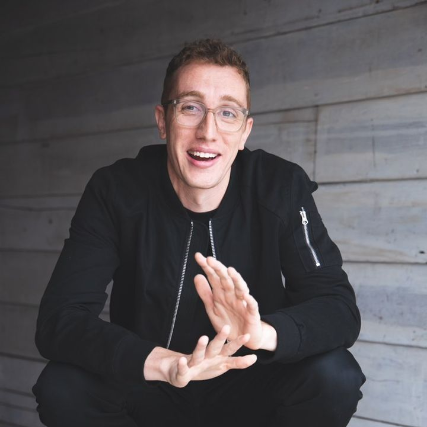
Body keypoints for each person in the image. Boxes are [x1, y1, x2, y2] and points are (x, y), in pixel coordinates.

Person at [33, 39, 365, 427]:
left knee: (334, 375)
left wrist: (262, 333)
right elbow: (60, 319)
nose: (208, 131)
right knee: (63, 386)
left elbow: (337, 307)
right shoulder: (116, 191)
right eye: (190, 107)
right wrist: (163, 363)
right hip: (153, 380)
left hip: (252, 381)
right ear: (162, 121)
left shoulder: (280, 187)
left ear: (245, 132)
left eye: (227, 113)